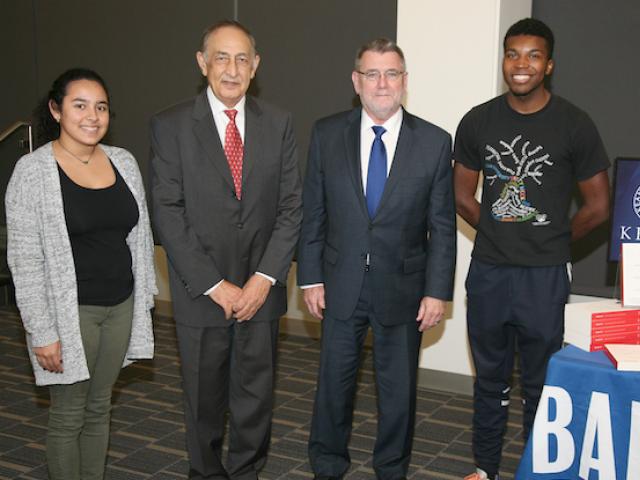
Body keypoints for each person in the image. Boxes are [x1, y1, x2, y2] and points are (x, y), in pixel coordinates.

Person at [453, 18, 610, 480]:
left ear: (549, 65)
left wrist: (554, 240)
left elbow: (598, 206)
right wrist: (501, 229)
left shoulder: (575, 124)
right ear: (504, 61)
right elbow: (461, 195)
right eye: (513, 54)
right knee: (490, 380)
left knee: (540, 385)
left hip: (544, 275)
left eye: (533, 56)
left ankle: (537, 470)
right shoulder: (478, 120)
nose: (521, 65)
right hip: (489, 272)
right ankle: (484, 468)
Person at [297, 38, 456, 480]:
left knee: (398, 391)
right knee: (333, 387)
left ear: (405, 82)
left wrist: (436, 291)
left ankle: (391, 469)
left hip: (404, 290)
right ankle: (327, 465)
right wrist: (310, 277)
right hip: (338, 284)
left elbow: (441, 225)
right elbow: (314, 212)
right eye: (372, 73)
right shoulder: (327, 134)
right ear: (356, 81)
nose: (382, 83)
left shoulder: (435, 142)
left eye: (391, 73)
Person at [150, 20, 302, 480]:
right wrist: (216, 286)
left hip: (263, 290)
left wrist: (263, 278)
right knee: (204, 401)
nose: (231, 69)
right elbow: (168, 214)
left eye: (241, 59)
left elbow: (292, 206)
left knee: (256, 400)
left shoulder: (280, 123)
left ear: (256, 66)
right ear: (202, 63)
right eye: (221, 57)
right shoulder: (170, 125)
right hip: (201, 293)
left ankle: (247, 473)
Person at [5, 68, 156, 480]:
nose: (92, 115)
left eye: (101, 106)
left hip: (120, 307)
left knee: (99, 407)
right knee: (69, 415)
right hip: (71, 315)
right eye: (80, 105)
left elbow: (139, 239)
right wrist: (42, 330)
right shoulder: (32, 172)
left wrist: (142, 301)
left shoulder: (123, 161)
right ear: (56, 110)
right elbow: (25, 259)